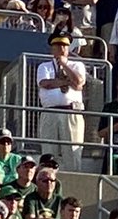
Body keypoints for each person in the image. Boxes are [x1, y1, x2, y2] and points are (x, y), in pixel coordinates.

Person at [36, 34, 86, 173]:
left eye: (64, 45)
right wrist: (66, 82)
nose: (61, 48)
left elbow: (79, 82)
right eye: (58, 46)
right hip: (50, 111)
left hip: (71, 112)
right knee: (48, 150)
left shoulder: (77, 65)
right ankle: (46, 177)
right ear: (52, 49)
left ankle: (74, 180)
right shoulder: (44, 66)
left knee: (72, 151)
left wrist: (64, 64)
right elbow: (45, 83)